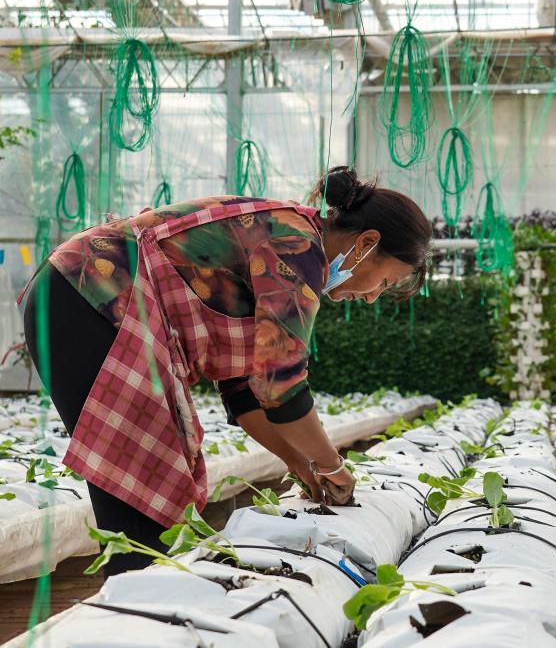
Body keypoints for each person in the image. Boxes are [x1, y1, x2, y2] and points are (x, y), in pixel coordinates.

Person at [20, 166, 432, 574]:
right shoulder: (298, 246)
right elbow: (282, 386)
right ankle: (135, 605)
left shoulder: (291, 237)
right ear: (366, 243)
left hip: (81, 298)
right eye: (384, 282)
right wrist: (331, 465)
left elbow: (246, 393)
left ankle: (142, 595)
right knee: (140, 512)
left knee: (148, 506)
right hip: (91, 298)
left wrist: (299, 463)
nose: (372, 297)